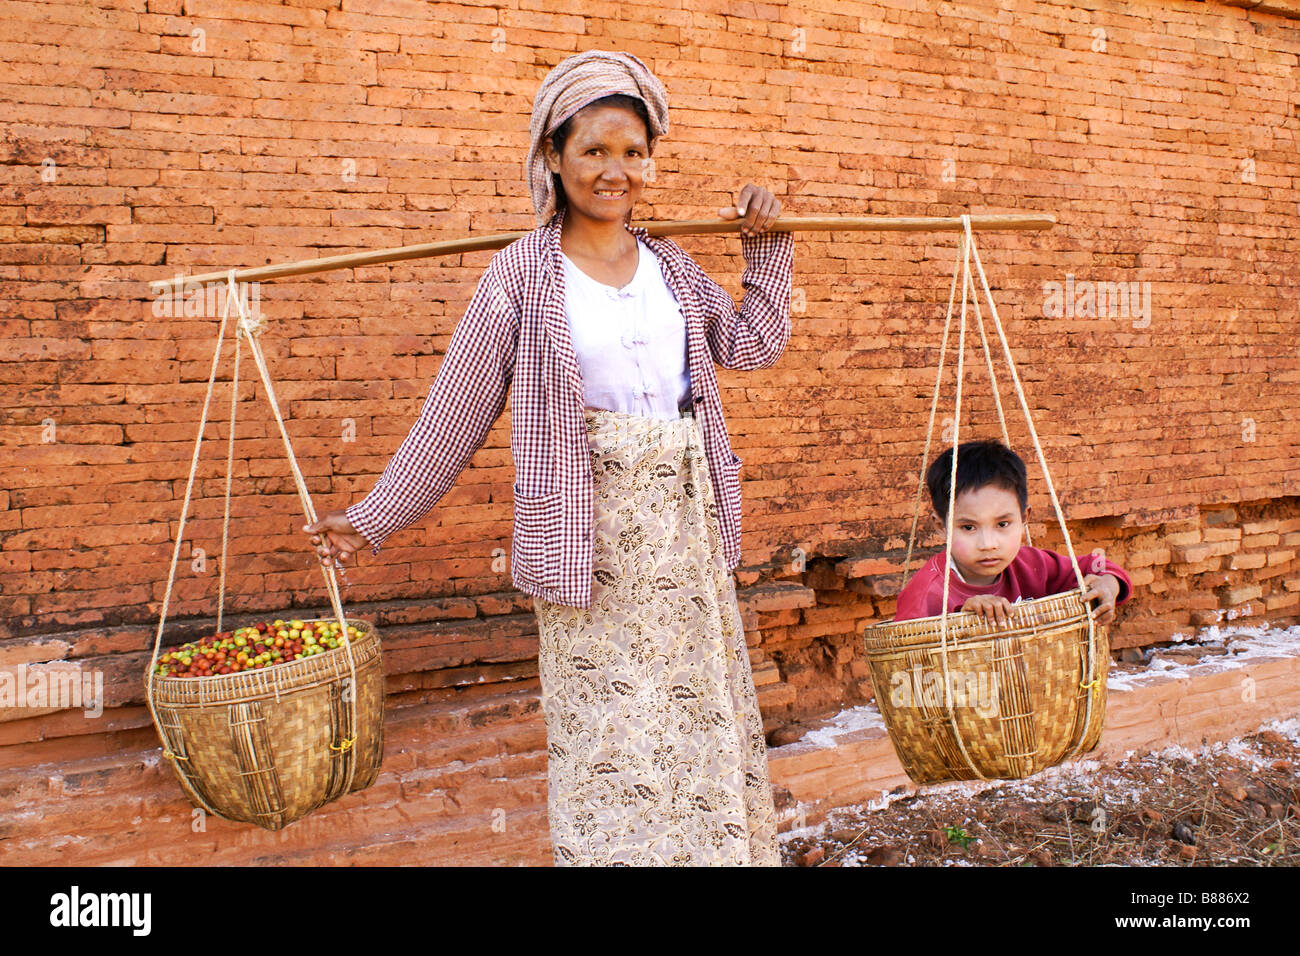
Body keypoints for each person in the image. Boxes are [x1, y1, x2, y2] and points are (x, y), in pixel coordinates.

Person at [302, 50, 792, 866]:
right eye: (594, 150)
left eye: (633, 152)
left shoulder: (672, 266)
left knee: (694, 718)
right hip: (587, 546)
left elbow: (753, 342)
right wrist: (370, 520)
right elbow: (452, 417)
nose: (615, 171)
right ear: (554, 158)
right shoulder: (522, 279)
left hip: (685, 538)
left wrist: (765, 249)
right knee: (612, 739)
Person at [893, 439, 1133, 625]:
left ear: (1024, 518)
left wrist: (1108, 584)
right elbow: (903, 661)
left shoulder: (1031, 564)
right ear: (940, 526)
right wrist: (961, 617)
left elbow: (1096, 564)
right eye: (968, 527)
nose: (988, 544)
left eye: (1002, 524)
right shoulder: (927, 593)